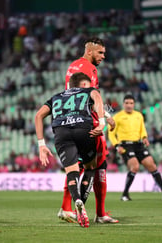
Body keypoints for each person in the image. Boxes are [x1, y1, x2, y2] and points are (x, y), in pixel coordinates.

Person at [58, 37, 119, 224]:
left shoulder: (73, 66)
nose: (103, 56)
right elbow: (92, 97)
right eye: (100, 52)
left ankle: (67, 207)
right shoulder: (89, 68)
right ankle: (96, 212)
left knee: (76, 166)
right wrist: (105, 117)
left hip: (70, 118)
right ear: (90, 51)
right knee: (98, 164)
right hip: (87, 119)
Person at [35, 72, 106, 228]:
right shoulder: (89, 91)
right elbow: (98, 99)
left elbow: (38, 116)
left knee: (71, 171)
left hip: (62, 133)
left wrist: (41, 144)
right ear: (82, 85)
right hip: (83, 129)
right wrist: (102, 123)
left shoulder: (56, 97)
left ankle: (77, 200)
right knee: (90, 167)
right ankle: (81, 204)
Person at [108, 94, 162, 202]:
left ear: (134, 104)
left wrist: (144, 137)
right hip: (125, 145)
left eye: (131, 103)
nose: (129, 105)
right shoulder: (117, 117)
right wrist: (116, 146)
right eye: (127, 103)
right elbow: (111, 134)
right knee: (135, 166)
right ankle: (125, 194)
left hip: (138, 145)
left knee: (152, 166)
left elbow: (142, 129)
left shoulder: (138, 115)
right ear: (123, 104)